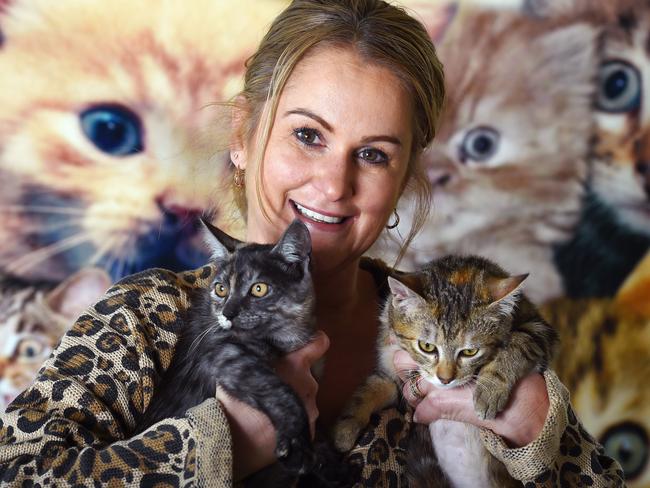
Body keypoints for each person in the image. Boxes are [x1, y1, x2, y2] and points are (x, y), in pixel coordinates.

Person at [0, 0, 624, 486]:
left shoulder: (454, 335)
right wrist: (213, 447)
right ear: (245, 135)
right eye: (308, 135)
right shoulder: (149, 321)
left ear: (405, 178)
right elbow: (18, 472)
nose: (333, 184)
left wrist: (547, 439)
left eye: (374, 154)